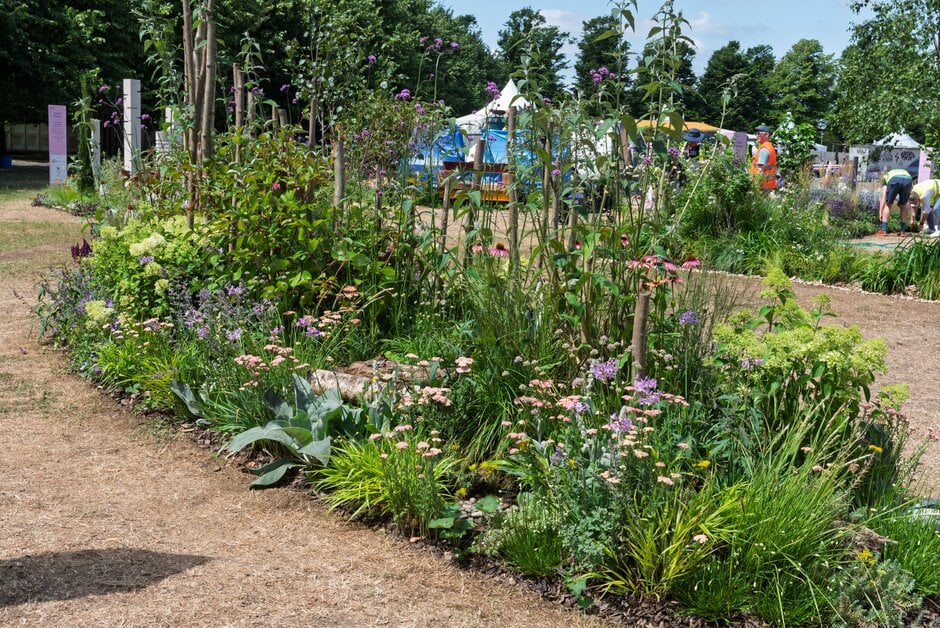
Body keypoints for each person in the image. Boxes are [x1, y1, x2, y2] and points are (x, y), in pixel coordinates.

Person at [877, 167, 914, 235]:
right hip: (908, 180)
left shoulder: (886, 176)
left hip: (894, 180)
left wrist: (880, 211)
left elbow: (884, 196)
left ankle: (884, 230)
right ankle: (902, 231)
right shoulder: (906, 174)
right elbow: (908, 199)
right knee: (903, 205)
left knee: (888, 205)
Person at [749, 124, 777, 191]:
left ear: (766, 135)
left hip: (761, 186)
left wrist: (755, 186)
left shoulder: (764, 149)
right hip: (767, 184)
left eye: (759, 133)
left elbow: (760, 169)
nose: (756, 135)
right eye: (756, 133)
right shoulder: (769, 146)